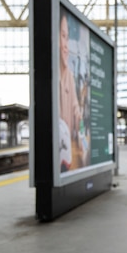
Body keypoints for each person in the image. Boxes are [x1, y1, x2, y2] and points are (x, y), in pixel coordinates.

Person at [58, 10, 84, 170]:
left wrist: (80, 133)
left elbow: (76, 111)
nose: (66, 45)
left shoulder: (69, 75)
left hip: (66, 151)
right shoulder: (52, 75)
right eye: (62, 36)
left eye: (67, 37)